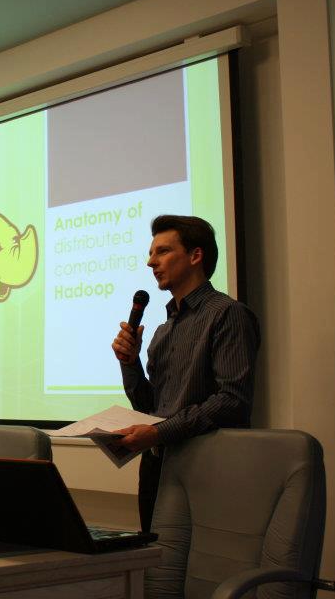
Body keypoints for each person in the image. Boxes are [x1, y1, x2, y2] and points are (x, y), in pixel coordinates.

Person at [110, 215, 260, 533]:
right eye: (151, 253)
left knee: (200, 560)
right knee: (154, 559)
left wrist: (160, 432)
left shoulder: (227, 314)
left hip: (204, 468)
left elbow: (232, 401)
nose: (151, 262)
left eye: (163, 251)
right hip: (157, 467)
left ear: (195, 256)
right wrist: (130, 362)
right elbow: (149, 407)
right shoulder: (163, 331)